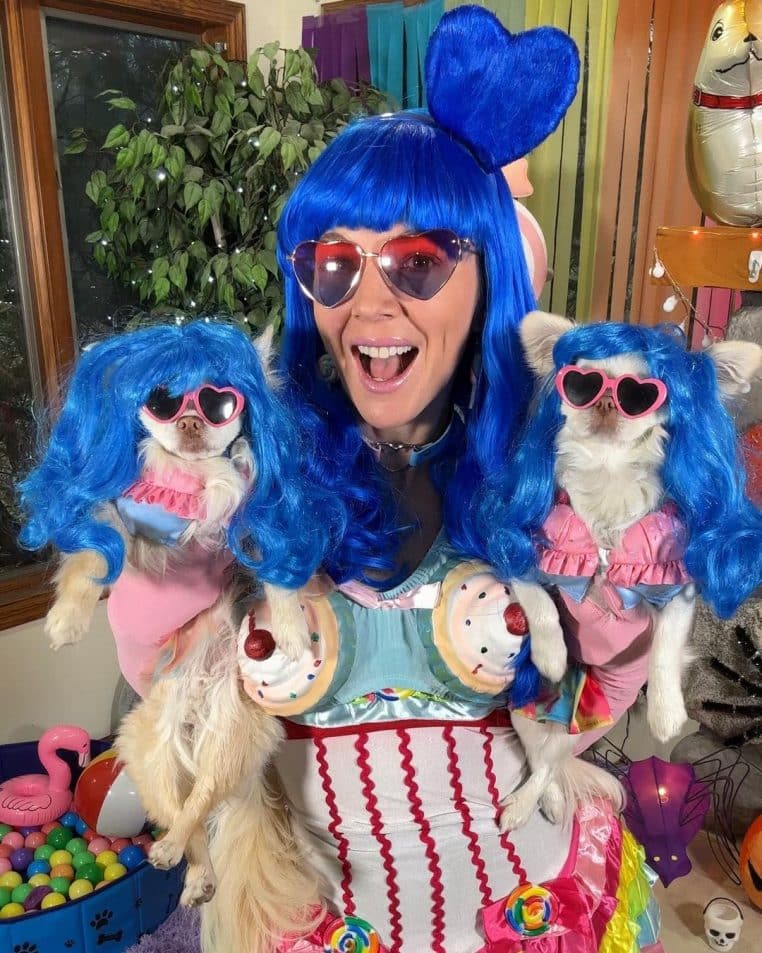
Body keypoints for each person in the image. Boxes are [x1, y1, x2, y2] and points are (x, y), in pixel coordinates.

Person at [200, 9, 666, 953]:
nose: (369, 302)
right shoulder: (247, 467)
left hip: (530, 911)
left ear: (489, 273)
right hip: (310, 920)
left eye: (416, 262)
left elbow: (587, 705)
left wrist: (618, 614)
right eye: (336, 262)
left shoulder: (557, 466)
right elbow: (182, 708)